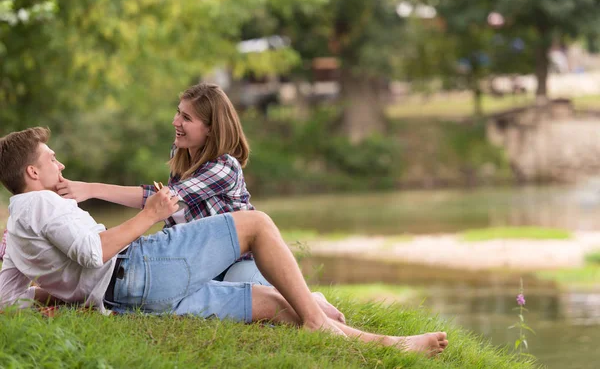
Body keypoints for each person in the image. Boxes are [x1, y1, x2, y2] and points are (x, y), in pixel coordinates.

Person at [0, 127, 448, 356]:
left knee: (274, 305)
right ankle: (315, 315)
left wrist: (54, 295)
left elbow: (9, 292)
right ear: (32, 173)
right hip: (139, 271)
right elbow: (94, 251)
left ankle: (391, 345)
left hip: (129, 298)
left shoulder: (18, 220)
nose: (60, 163)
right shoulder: (40, 205)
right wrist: (151, 215)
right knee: (255, 222)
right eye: (51, 159)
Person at [54, 82, 264, 284]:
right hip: (201, 263)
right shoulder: (182, 155)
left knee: (246, 293)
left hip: (235, 263)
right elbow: (161, 201)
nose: (176, 121)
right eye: (178, 112)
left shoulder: (224, 167)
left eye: (186, 118)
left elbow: (165, 199)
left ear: (210, 128)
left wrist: (91, 189)